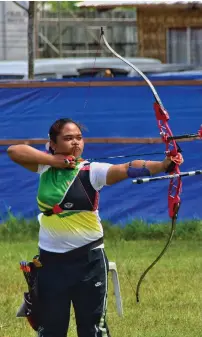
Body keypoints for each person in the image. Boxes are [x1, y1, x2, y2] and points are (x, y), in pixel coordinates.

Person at [7, 118, 183, 337]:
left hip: (88, 262)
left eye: (79, 138)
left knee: (92, 329)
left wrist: (163, 165)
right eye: (68, 138)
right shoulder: (44, 167)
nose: (75, 143)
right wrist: (54, 161)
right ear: (52, 143)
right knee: (50, 330)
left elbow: (127, 168)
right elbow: (14, 151)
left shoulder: (92, 171)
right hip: (50, 263)